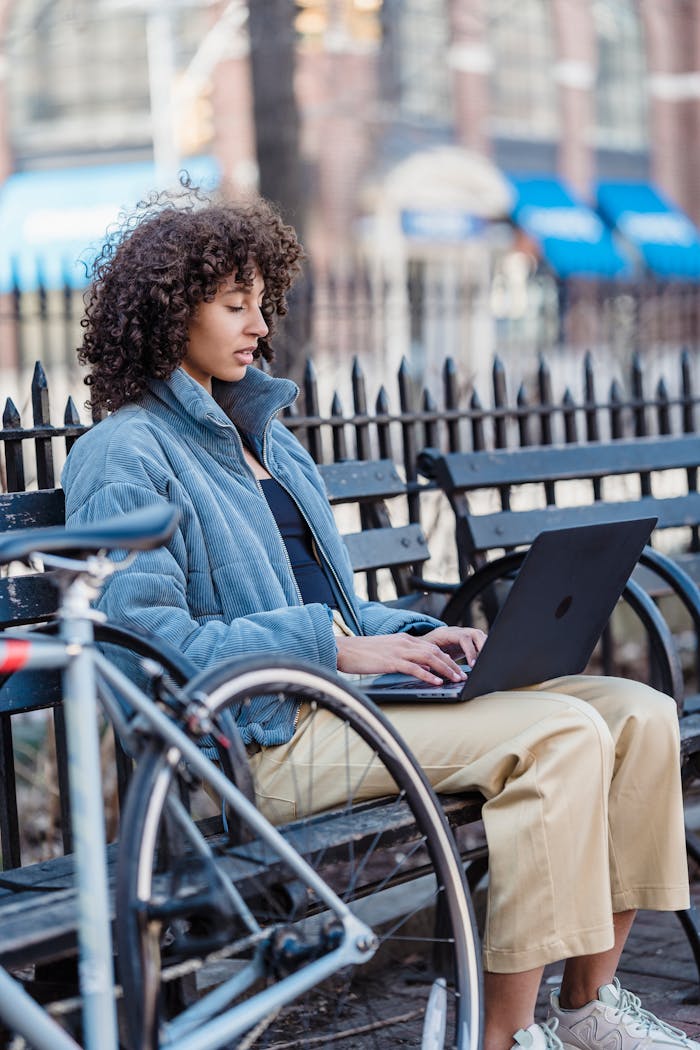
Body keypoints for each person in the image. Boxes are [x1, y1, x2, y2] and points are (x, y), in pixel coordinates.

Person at [62, 187, 695, 1050]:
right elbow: (147, 649)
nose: (258, 326)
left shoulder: (270, 443)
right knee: (560, 735)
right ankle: (502, 1038)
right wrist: (334, 646)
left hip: (340, 708)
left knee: (641, 714)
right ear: (170, 314)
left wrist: (416, 634)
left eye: (263, 304)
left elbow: (339, 608)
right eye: (233, 304)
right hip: (251, 745)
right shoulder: (124, 451)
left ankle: (586, 1008)